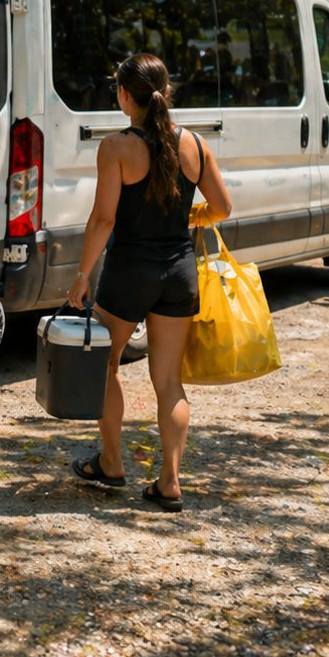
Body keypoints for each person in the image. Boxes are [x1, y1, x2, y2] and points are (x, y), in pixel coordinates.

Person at [68, 53, 232, 512]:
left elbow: (103, 219)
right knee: (168, 382)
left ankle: (113, 463)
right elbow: (223, 207)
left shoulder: (116, 147)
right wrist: (192, 216)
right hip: (179, 273)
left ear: (124, 95)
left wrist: (82, 274)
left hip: (128, 275)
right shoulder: (196, 145)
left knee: (106, 366)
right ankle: (170, 481)